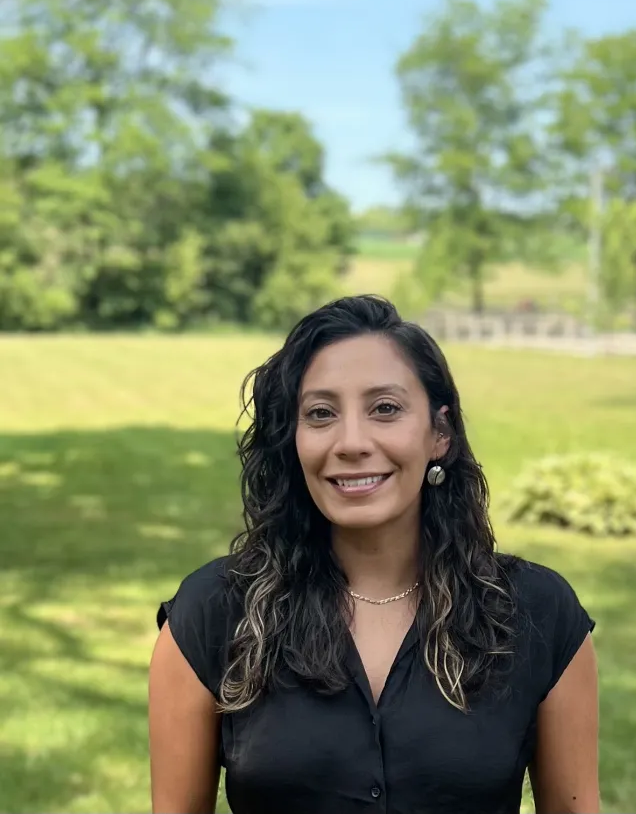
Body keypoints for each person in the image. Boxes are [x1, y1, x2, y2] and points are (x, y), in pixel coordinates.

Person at [148, 295, 599, 814]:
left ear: (440, 434)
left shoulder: (538, 614)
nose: (352, 442)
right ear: (292, 440)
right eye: (321, 414)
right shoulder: (212, 613)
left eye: (385, 408)